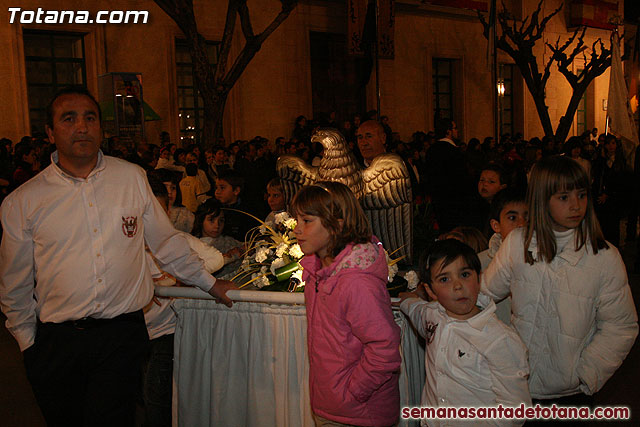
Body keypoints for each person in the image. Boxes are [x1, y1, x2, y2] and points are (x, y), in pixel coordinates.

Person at [0, 86, 236, 427]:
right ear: (50, 133)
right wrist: (28, 345)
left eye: (90, 117)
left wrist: (210, 284)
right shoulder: (24, 201)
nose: (82, 126)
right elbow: (14, 282)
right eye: (69, 118)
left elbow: (166, 243)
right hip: (57, 341)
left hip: (121, 337)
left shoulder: (131, 178)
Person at [482, 155, 638, 405]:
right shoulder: (517, 244)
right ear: (542, 200)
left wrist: (586, 373)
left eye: (582, 194)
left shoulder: (604, 257)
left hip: (570, 394)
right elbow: (482, 296)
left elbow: (621, 326)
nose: (576, 205)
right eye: (564, 197)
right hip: (517, 384)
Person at [291, 181, 401, 427]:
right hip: (332, 407)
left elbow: (384, 349)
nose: (297, 229)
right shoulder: (318, 273)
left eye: (307, 221)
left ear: (337, 224)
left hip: (359, 414)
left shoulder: (356, 282)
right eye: (297, 220)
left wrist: (352, 393)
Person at [398, 239, 531, 425]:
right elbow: (415, 308)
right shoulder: (433, 315)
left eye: (465, 274)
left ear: (479, 278)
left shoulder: (500, 339)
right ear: (431, 291)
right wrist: (403, 300)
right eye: (445, 279)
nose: (458, 286)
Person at [142, 173, 225, 427]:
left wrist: (186, 278)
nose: (154, 217)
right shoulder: (124, 241)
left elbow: (214, 260)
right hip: (130, 331)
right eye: (149, 210)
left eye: (161, 209)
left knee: (159, 400)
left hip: (165, 330)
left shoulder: (176, 239)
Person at [424, 118, 475, 233]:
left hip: (438, 202)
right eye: (455, 128)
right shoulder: (455, 152)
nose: (457, 131)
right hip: (455, 203)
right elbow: (462, 179)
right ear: (448, 131)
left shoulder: (431, 150)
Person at [191, 199, 244, 279]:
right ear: (201, 220)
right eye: (211, 220)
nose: (217, 225)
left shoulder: (229, 242)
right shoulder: (192, 244)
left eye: (221, 221)